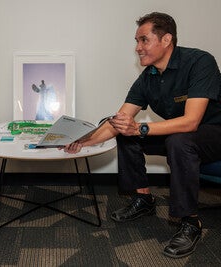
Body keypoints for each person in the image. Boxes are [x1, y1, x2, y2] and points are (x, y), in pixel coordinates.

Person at [64, 12, 221, 258]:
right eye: (136, 41)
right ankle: (144, 199)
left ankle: (190, 222)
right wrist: (81, 142)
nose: (137, 48)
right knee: (127, 133)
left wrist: (141, 128)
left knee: (178, 141)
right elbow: (119, 121)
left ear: (166, 39)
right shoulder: (147, 78)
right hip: (180, 135)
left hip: (215, 132)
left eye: (143, 40)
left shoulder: (199, 62)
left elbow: (191, 122)